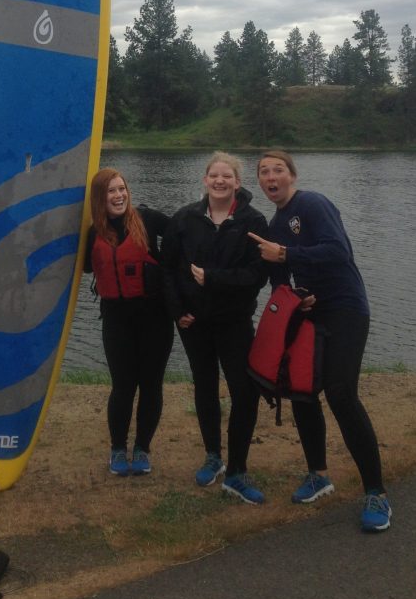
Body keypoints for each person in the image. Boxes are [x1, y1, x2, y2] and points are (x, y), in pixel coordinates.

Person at [249, 150, 392, 533]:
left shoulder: (311, 204)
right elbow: (280, 277)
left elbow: (338, 251)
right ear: (260, 183)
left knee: (341, 393)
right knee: (302, 390)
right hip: (311, 313)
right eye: (263, 172)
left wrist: (287, 252)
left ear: (292, 175)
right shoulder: (275, 223)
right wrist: (295, 296)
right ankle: (318, 475)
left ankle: (376, 492)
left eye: (277, 169)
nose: (270, 176)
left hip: (346, 308)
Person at [160, 152, 269, 505]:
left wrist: (213, 278)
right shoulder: (184, 218)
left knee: (244, 391)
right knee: (205, 387)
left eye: (227, 176)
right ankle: (213, 456)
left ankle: (237, 470)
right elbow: (168, 269)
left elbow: (257, 276)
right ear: (205, 180)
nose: (220, 181)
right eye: (214, 176)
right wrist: (178, 311)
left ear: (237, 183)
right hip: (194, 323)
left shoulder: (253, 221)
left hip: (235, 322)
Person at [84, 168, 173, 477]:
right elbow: (76, 267)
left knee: (151, 386)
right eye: (111, 191)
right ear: (100, 197)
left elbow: (187, 230)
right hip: (116, 321)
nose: (119, 195)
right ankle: (118, 448)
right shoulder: (93, 233)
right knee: (123, 387)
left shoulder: (147, 219)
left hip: (155, 320)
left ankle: (143, 448)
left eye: (122, 188)